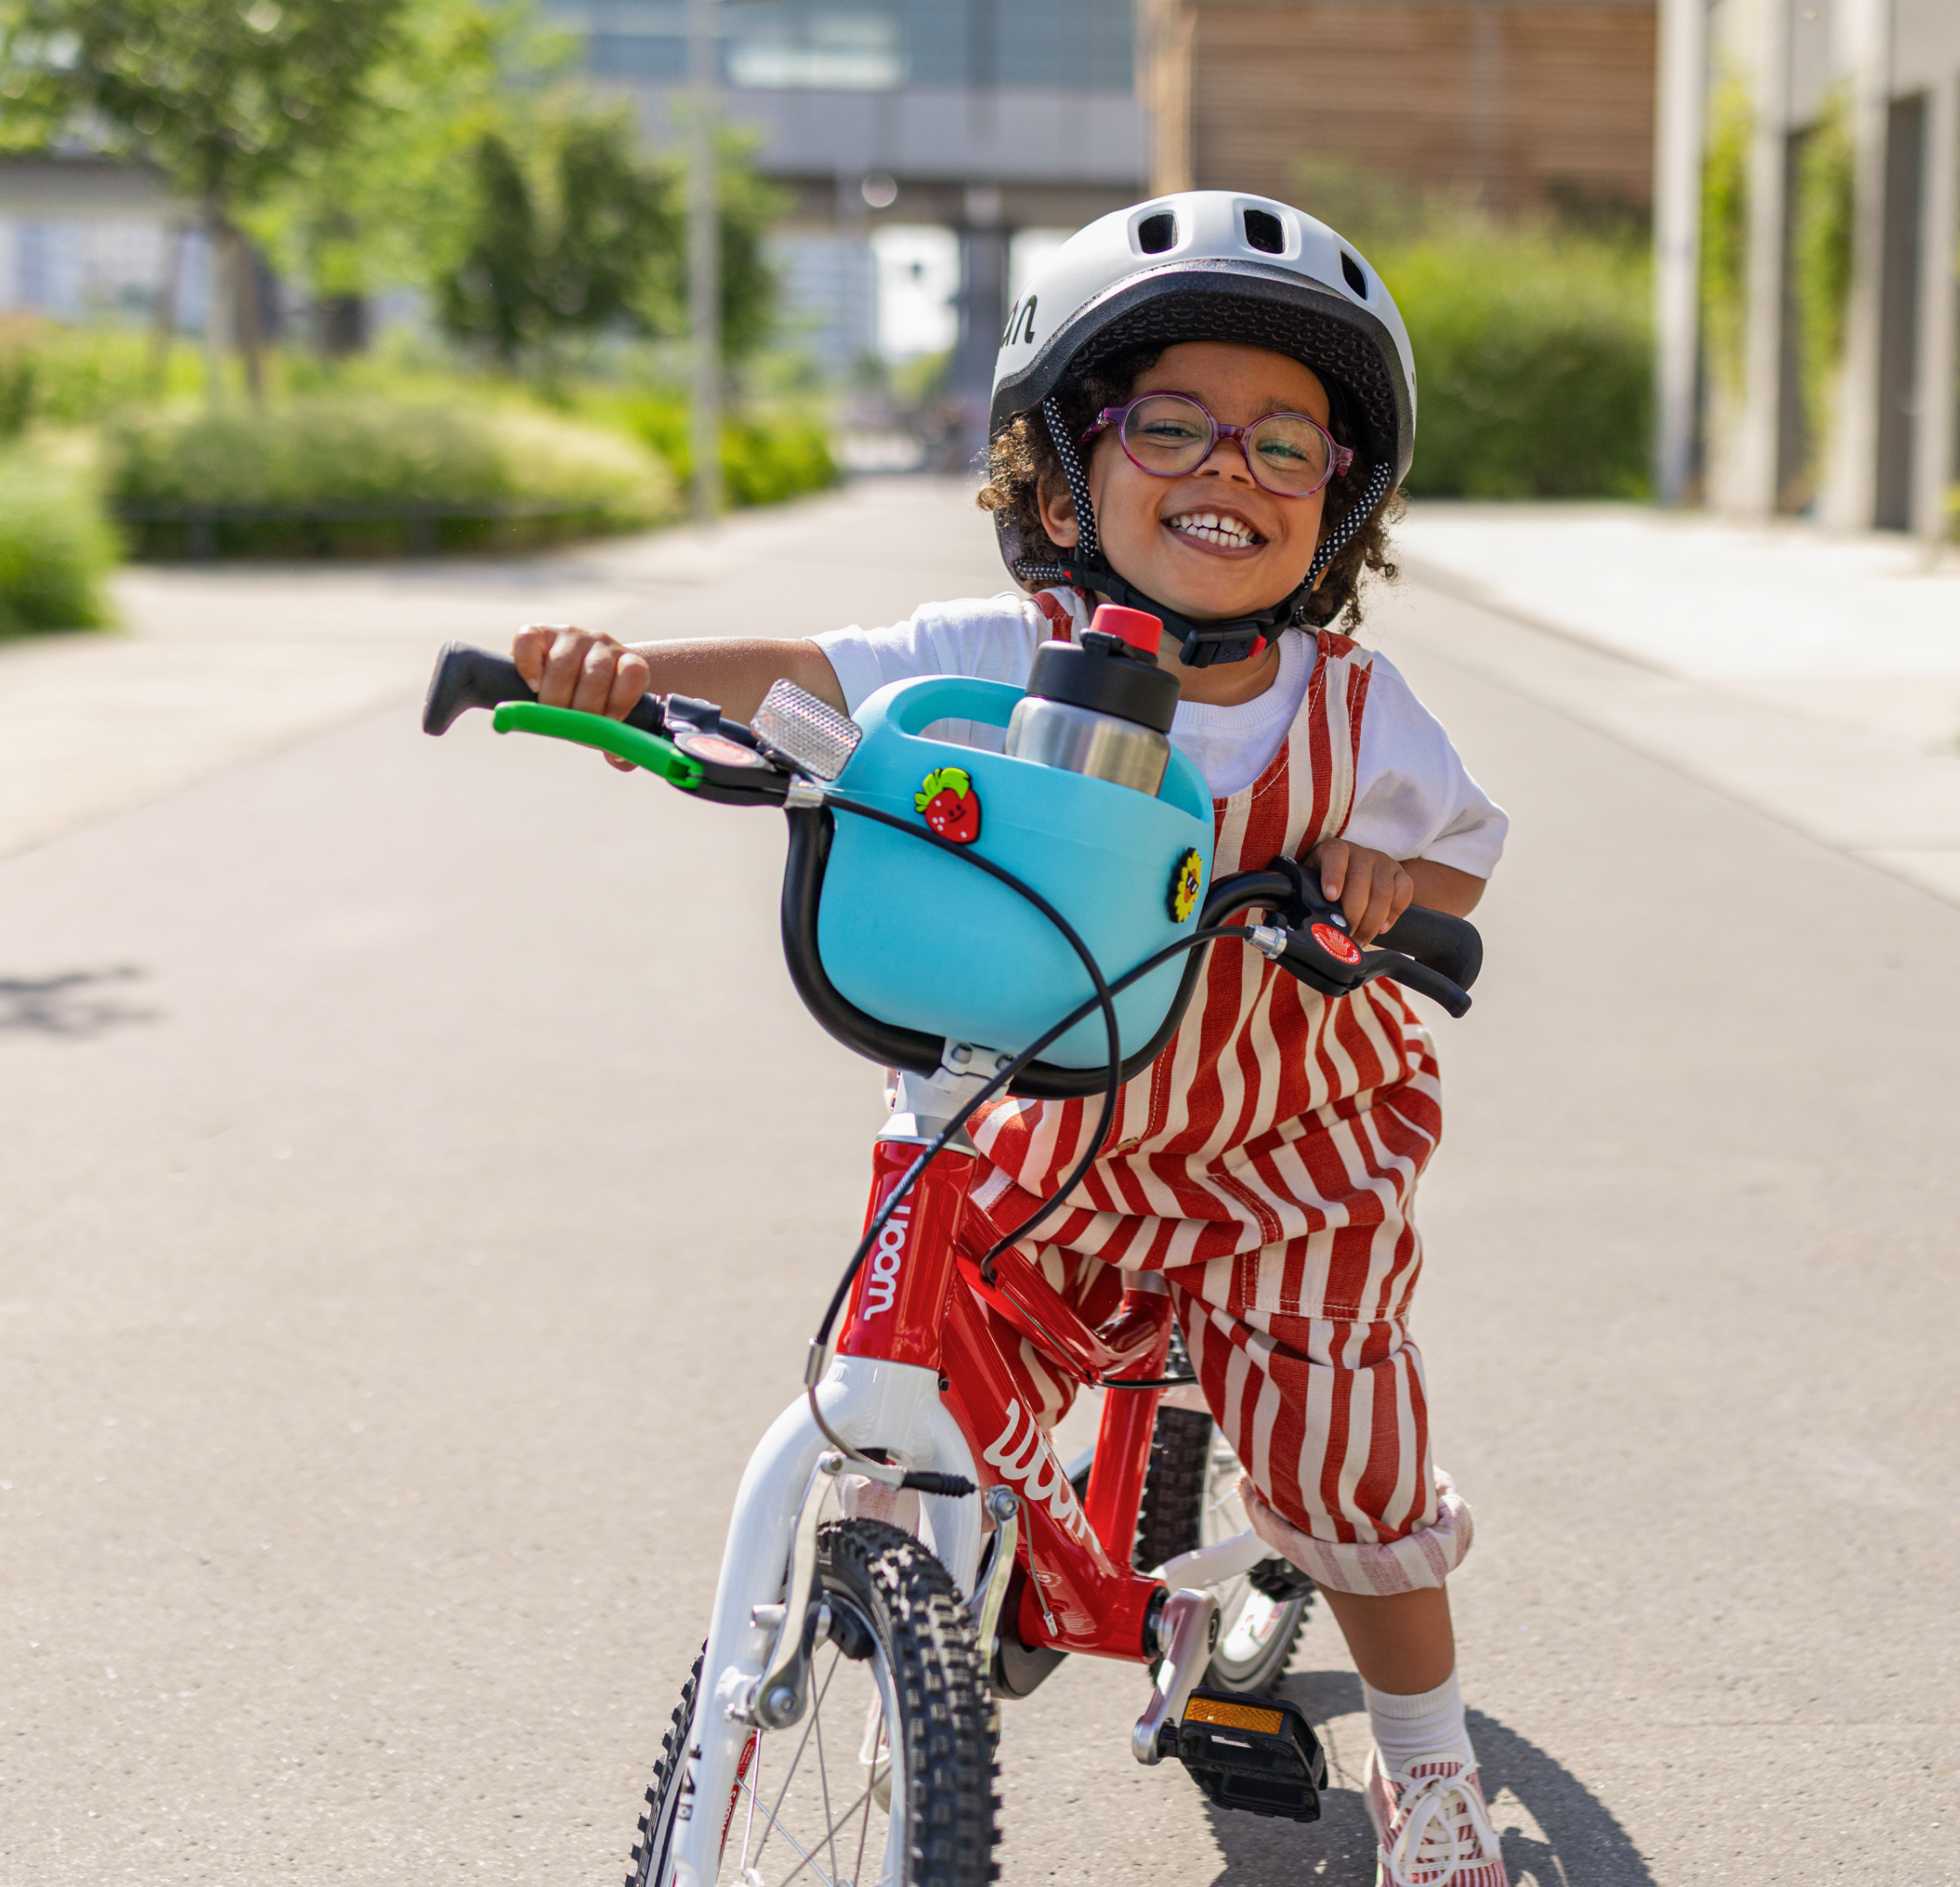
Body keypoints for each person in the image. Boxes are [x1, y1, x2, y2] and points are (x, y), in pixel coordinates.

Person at [511, 192, 1510, 1887]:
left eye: (1289, 445)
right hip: (1050, 1129)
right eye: (1173, 424)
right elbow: (807, 677)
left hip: (1290, 1150)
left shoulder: (1358, 711)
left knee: (1346, 1463)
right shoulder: (1004, 658)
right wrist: (630, 681)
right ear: (1063, 472)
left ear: (1339, 509)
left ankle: (1430, 1768)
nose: (1232, 471)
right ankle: (936, 1583)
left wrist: (1372, 874)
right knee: (941, 1315)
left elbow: (1460, 863)